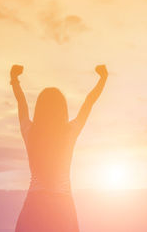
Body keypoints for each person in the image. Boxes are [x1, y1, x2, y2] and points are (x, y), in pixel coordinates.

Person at [10, 64, 108, 232]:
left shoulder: (30, 131)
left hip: (34, 206)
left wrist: (14, 79)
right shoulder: (69, 132)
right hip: (62, 208)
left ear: (39, 109)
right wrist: (102, 78)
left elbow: (21, 102)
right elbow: (88, 102)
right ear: (62, 109)